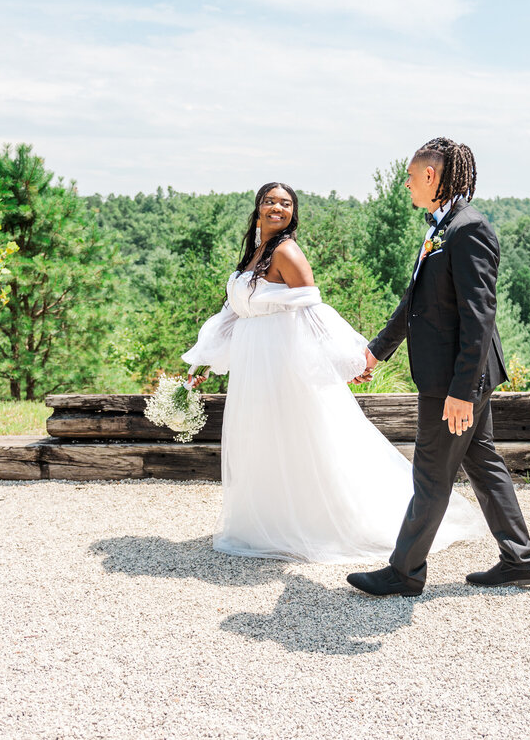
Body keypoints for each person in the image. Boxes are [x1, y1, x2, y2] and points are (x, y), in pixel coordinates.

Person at [181, 182, 487, 563]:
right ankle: (269, 521)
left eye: (286, 203)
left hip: (280, 362)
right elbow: (233, 312)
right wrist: (202, 363)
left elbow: (314, 313)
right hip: (252, 364)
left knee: (298, 438)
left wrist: (350, 359)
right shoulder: (254, 252)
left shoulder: (287, 252)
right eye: (271, 201)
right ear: (258, 207)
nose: (278, 208)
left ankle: (316, 523)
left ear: (293, 213)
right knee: (262, 438)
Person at [346, 138, 530, 597]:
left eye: (411, 176)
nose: (407, 183)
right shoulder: (442, 227)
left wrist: (461, 391)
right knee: (483, 462)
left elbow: (480, 316)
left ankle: (404, 572)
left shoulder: (468, 230)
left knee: (431, 474)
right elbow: (414, 304)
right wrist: (376, 351)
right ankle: (520, 560)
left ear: (431, 177)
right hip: (460, 376)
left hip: (455, 379)